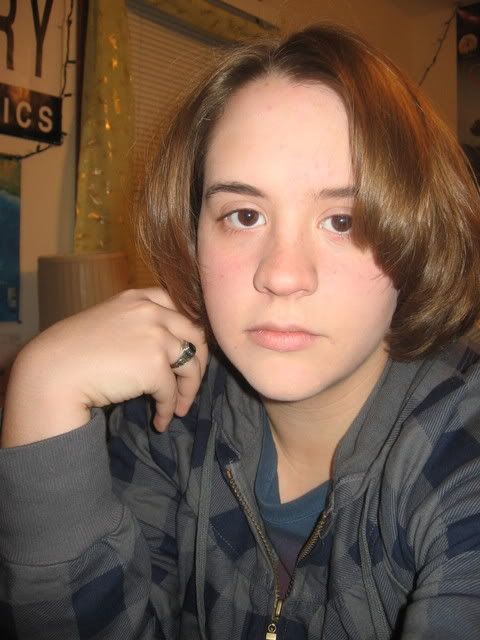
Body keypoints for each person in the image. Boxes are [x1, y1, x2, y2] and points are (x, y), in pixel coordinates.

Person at [1, 23, 480, 640]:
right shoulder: (170, 420)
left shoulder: (461, 453)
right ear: (193, 234)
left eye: (342, 220)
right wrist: (41, 385)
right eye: (245, 215)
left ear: (419, 237)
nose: (282, 275)